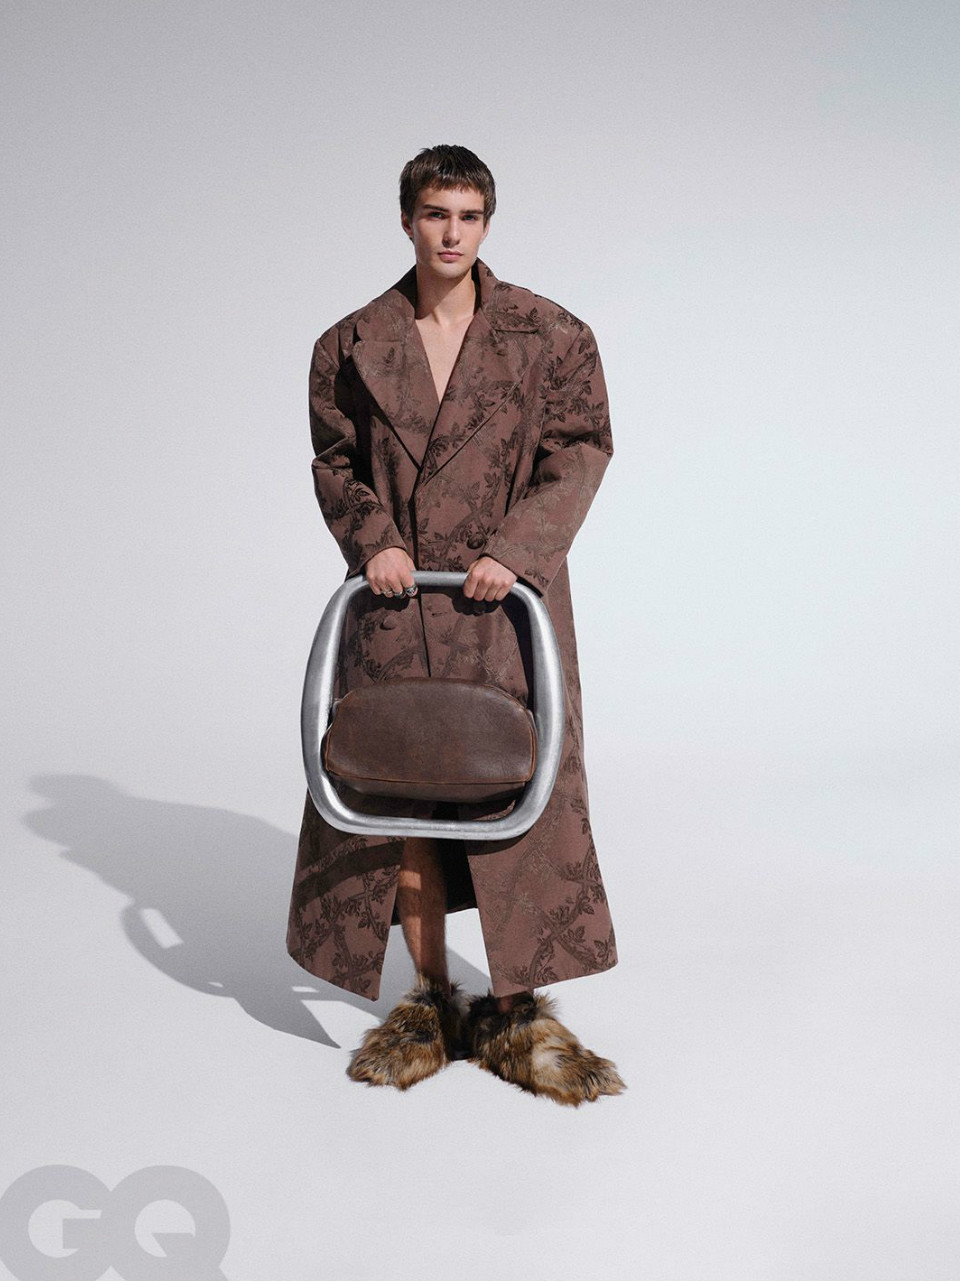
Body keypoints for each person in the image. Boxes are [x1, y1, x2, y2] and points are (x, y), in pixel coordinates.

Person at [287, 144, 625, 1105]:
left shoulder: (550, 334)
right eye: (436, 214)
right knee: (400, 797)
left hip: (503, 607)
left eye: (469, 217)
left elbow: (580, 450)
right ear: (407, 219)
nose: (451, 234)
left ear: (486, 223)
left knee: (521, 793)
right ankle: (431, 1002)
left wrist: (516, 549)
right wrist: (374, 540)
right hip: (396, 604)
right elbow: (335, 462)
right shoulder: (349, 343)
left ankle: (519, 1014)